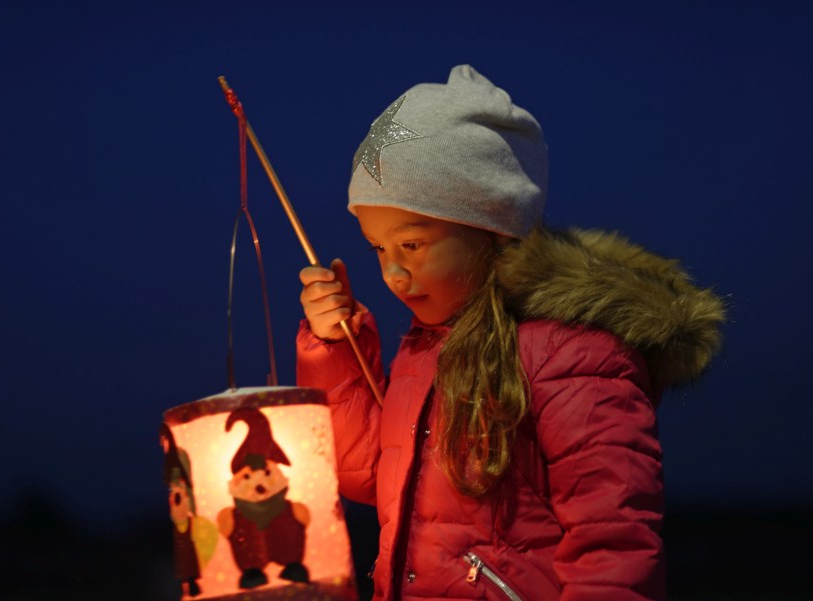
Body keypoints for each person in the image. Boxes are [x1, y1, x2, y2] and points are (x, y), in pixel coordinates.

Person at [296, 65, 725, 601]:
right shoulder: (426, 348)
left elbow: (613, 536)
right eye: (378, 249)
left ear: (491, 229)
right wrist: (337, 349)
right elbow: (368, 475)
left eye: (411, 244)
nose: (392, 274)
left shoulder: (571, 350)